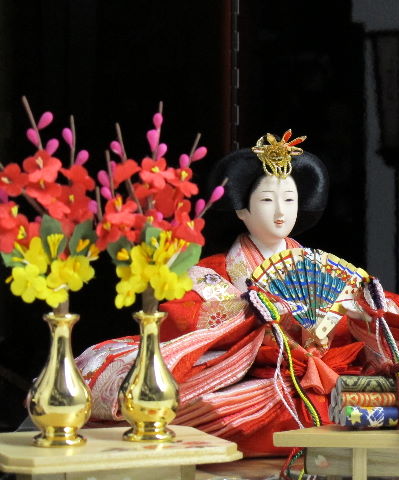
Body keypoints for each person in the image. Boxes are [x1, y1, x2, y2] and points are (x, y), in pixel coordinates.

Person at [76, 131, 380, 456]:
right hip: (247, 371)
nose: (280, 211)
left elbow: (358, 326)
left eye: (289, 200)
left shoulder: (319, 267)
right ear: (241, 210)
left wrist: (361, 308)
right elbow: (183, 318)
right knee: (244, 402)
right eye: (266, 200)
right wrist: (249, 315)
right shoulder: (210, 273)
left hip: (318, 369)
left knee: (366, 391)